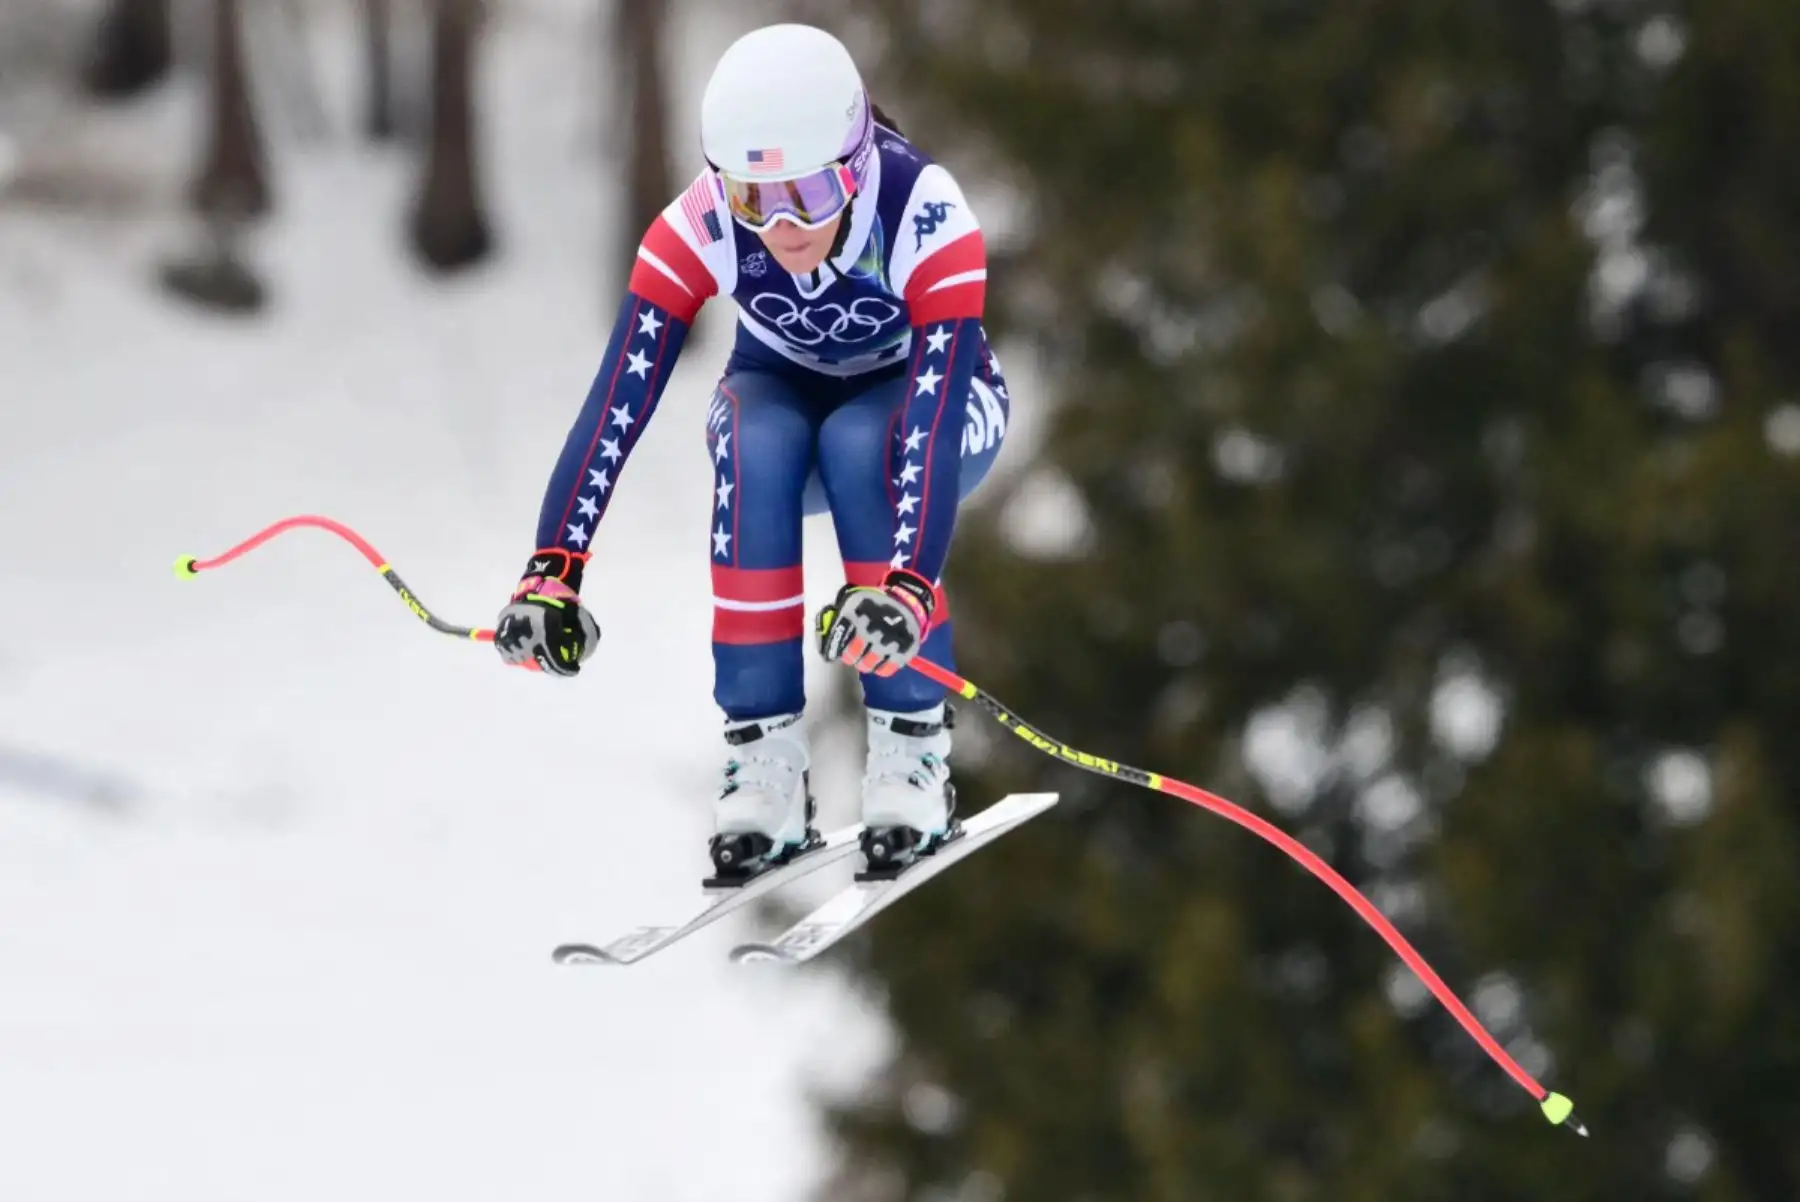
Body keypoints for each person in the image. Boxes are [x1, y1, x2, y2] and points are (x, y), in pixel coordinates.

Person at [491, 23, 1010, 879]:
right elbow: (618, 397)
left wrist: (909, 586)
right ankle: (763, 759)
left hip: (938, 412)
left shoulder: (925, 210)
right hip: (784, 404)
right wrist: (553, 569)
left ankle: (911, 748)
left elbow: (934, 403)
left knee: (860, 440)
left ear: (853, 165)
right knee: (752, 434)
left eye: (806, 194)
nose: (781, 226)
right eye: (750, 198)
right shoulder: (696, 226)